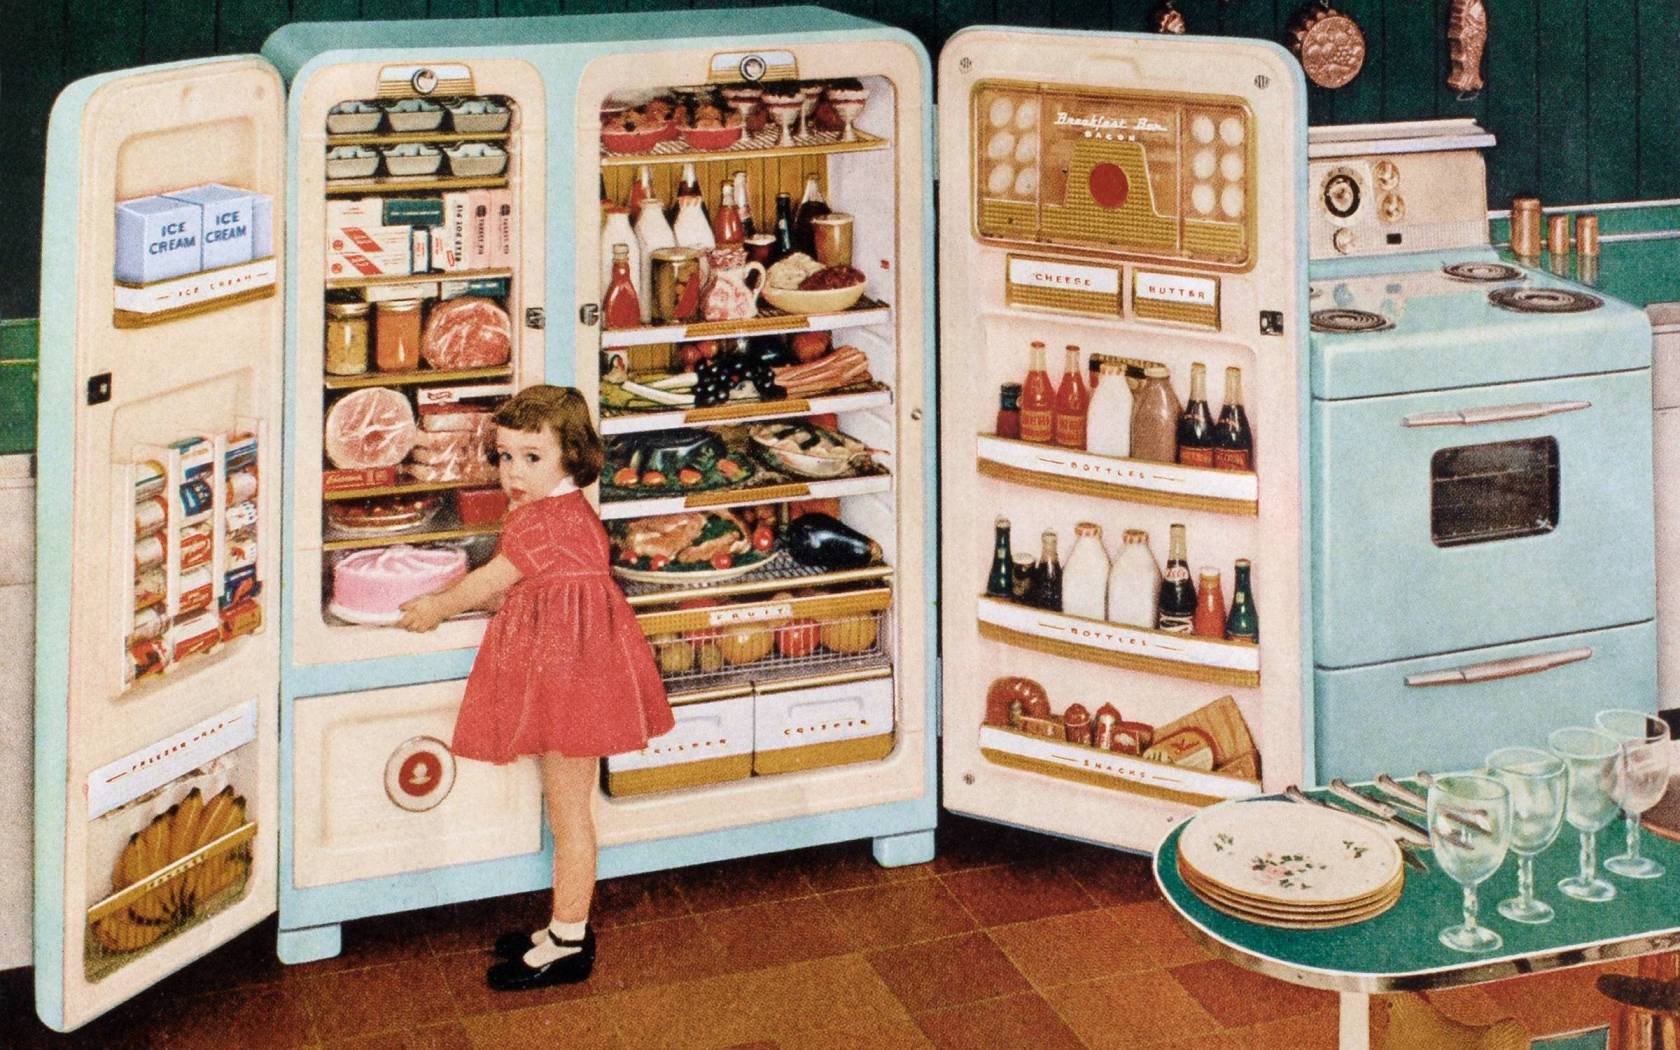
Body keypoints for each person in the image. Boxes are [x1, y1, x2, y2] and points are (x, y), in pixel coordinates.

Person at [396, 384, 674, 991]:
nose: (513, 473)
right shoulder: (559, 511)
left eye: (531, 457)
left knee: (570, 815)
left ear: (570, 458)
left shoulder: (544, 522)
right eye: (504, 456)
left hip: (571, 679)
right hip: (574, 669)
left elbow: (494, 579)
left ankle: (569, 941)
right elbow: (528, 582)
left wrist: (437, 607)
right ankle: (559, 929)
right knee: (566, 810)